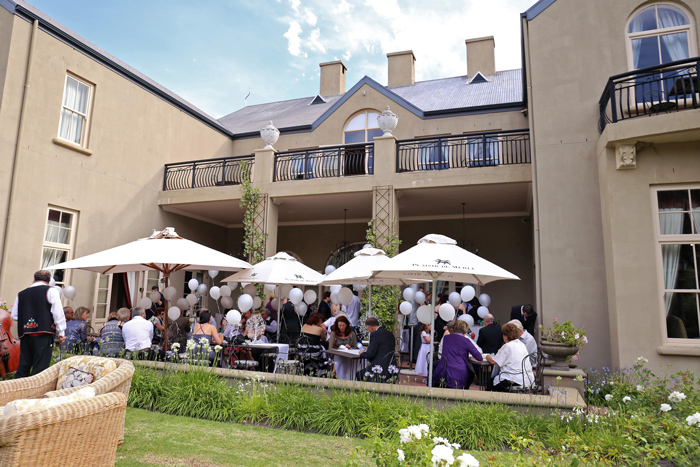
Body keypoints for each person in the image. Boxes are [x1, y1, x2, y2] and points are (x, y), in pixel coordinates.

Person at [11, 270, 66, 378]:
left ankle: (18, 387)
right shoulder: (51, 291)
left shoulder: (21, 294)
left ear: (34, 279)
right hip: (44, 333)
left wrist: (27, 320)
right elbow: (58, 313)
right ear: (49, 281)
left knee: (24, 365)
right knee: (40, 367)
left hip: (25, 334)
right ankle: (35, 388)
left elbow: (14, 315)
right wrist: (61, 332)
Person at [432, 320, 483, 389]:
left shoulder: (446, 338)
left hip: (442, 369)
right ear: (465, 330)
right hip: (458, 371)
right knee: (470, 375)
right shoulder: (466, 340)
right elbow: (479, 357)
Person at [485, 322, 534, 392]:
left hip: (514, 379)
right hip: (527, 379)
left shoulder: (507, 346)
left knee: (490, 383)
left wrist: (487, 356)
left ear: (505, 336)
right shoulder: (521, 344)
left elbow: (493, 361)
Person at [356, 317, 395, 382]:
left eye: (368, 329)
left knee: (359, 374)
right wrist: (369, 348)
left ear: (370, 327)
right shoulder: (389, 333)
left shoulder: (375, 334)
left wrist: (362, 354)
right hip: (390, 367)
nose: (369, 331)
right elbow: (382, 347)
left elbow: (370, 354)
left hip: (379, 368)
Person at [328, 315, 358, 380]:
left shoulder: (352, 334)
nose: (341, 327)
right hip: (338, 355)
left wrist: (350, 348)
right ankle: (337, 374)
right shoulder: (334, 333)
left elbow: (356, 347)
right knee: (339, 360)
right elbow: (330, 348)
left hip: (349, 356)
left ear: (346, 325)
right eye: (339, 326)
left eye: (343, 325)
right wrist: (337, 349)